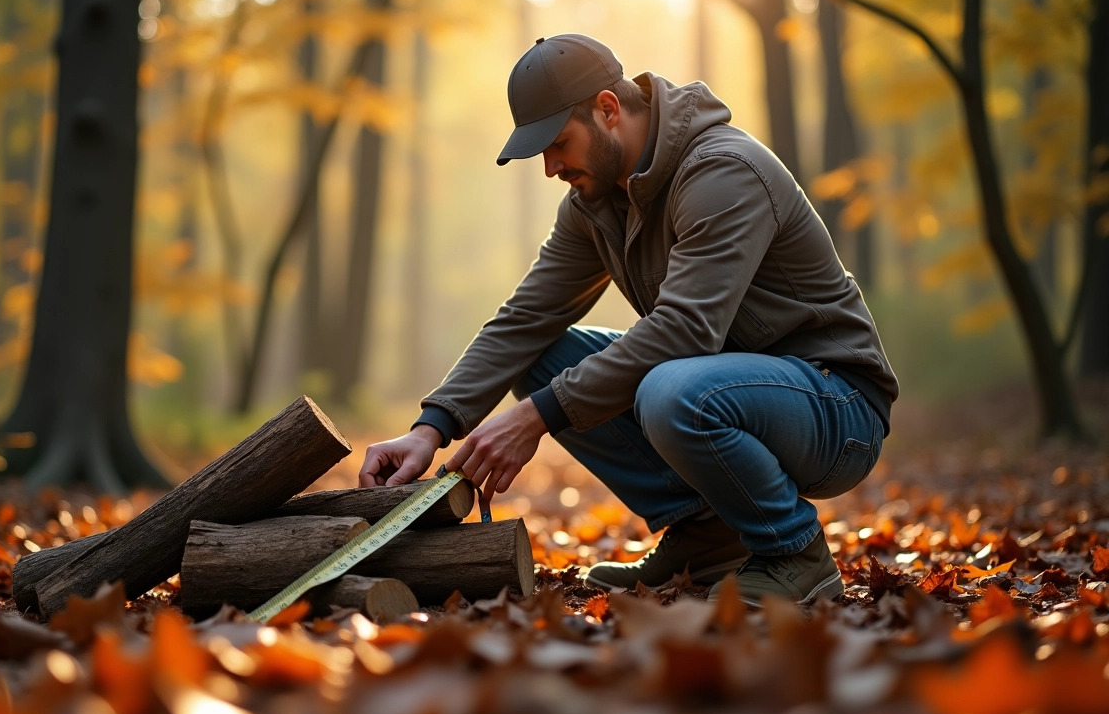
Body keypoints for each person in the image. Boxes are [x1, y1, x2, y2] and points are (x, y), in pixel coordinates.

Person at [358, 33, 897, 607]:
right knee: (543, 357)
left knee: (672, 389)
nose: (550, 167)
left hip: (837, 406)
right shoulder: (597, 204)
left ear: (608, 110)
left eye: (559, 143)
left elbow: (686, 330)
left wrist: (534, 418)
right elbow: (526, 318)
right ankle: (707, 535)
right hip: (730, 386)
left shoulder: (723, 171)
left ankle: (795, 555)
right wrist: (431, 428)